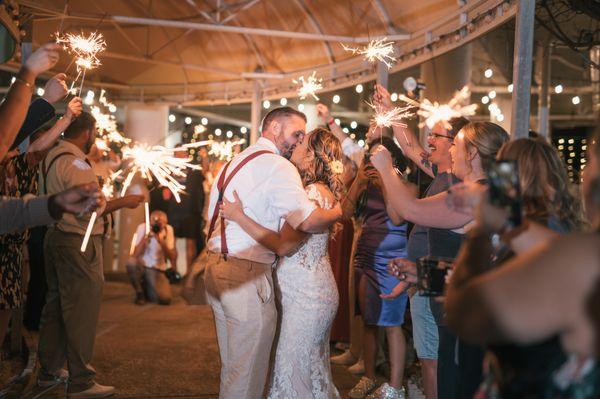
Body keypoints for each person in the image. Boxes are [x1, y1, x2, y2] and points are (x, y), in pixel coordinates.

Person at [440, 137, 599, 397]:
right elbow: (549, 249)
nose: (584, 172)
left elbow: (463, 310)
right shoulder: (560, 238)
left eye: (590, 160)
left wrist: (483, 228)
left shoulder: (580, 253)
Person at [203, 106, 341, 399]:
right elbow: (306, 221)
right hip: (246, 275)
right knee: (248, 373)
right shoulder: (279, 167)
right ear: (275, 128)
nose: (298, 140)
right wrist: (341, 210)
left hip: (215, 269)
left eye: (303, 137)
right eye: (296, 133)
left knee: (232, 367)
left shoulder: (232, 163)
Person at [371, 121, 509, 399]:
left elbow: (409, 209)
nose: (453, 152)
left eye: (457, 145)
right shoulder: (489, 191)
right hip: (463, 310)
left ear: (471, 154)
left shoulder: (475, 195)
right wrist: (421, 273)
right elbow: (468, 265)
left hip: (464, 318)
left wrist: (385, 168)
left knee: (456, 386)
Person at [372, 84, 470, 399]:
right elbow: (410, 145)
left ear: (455, 144)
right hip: (424, 278)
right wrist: (390, 108)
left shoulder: (455, 181)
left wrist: (386, 171)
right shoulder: (439, 172)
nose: (429, 139)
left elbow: (409, 211)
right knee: (430, 356)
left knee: (432, 361)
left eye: (437, 136)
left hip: (436, 282)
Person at [37, 111, 143, 398]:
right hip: (78, 243)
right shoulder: (77, 164)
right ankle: (81, 381)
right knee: (81, 311)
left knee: (57, 306)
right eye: (94, 133)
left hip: (55, 237)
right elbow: (93, 208)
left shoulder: (51, 157)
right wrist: (125, 202)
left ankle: (48, 371)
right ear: (88, 132)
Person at [0, 96, 82, 348]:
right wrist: (65, 118)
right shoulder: (11, 163)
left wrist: (65, 119)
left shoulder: (23, 166)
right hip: (2, 251)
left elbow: (40, 147)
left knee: (7, 310)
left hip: (12, 254)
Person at [339, 134, 412, 399]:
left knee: (391, 322)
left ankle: (395, 387)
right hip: (366, 254)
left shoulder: (405, 184)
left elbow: (395, 215)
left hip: (392, 259)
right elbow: (344, 212)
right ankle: (369, 377)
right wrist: (359, 181)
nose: (373, 162)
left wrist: (383, 181)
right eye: (371, 158)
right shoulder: (365, 183)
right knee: (368, 319)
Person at [168, 146, 206, 275]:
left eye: (183, 153)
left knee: (191, 243)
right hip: (173, 211)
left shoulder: (193, 170)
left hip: (189, 212)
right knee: (171, 242)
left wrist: (204, 157)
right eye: (178, 153)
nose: (182, 155)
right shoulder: (168, 171)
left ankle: (189, 274)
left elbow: (204, 172)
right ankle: (174, 271)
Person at [127, 210, 177, 305]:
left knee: (165, 299)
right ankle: (139, 292)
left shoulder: (168, 230)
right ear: (150, 221)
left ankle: (147, 287)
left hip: (158, 269)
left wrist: (161, 241)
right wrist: (146, 237)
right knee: (131, 263)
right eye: (155, 222)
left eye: (161, 223)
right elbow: (135, 255)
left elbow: (172, 257)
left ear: (166, 223)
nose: (157, 225)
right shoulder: (143, 228)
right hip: (143, 266)